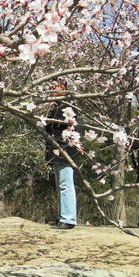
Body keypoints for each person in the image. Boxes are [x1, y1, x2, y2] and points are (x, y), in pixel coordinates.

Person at [45, 79, 78, 230]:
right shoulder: (53, 107)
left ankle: (69, 218)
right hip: (54, 150)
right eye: (50, 86)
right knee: (60, 185)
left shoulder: (68, 107)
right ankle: (62, 216)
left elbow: (69, 126)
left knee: (66, 184)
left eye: (55, 86)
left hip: (65, 150)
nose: (51, 89)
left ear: (64, 88)